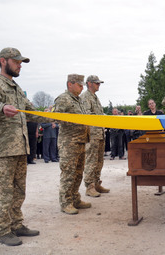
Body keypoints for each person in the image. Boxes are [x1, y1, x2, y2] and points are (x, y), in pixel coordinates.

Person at [0, 47, 40, 246]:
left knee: (19, 190)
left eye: (20, 62)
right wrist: (1, 108)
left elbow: (31, 111)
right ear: (3, 61)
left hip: (20, 148)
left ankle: (16, 224)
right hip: (3, 150)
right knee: (3, 192)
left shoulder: (16, 88)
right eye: (16, 61)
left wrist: (58, 116)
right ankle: (3, 230)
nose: (20, 65)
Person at [53, 74, 91, 215]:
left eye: (82, 85)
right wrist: (75, 121)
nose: (82, 87)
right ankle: (66, 202)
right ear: (70, 84)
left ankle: (75, 198)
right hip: (69, 143)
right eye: (79, 85)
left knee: (78, 173)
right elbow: (57, 117)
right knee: (68, 173)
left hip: (81, 141)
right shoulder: (63, 99)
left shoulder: (79, 100)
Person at [81, 75, 110, 197]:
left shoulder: (95, 97)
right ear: (89, 83)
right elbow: (87, 115)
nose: (99, 85)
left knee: (99, 161)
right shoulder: (85, 97)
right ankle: (90, 186)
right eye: (97, 83)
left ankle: (97, 183)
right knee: (91, 161)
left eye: (99, 83)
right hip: (92, 134)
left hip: (99, 133)